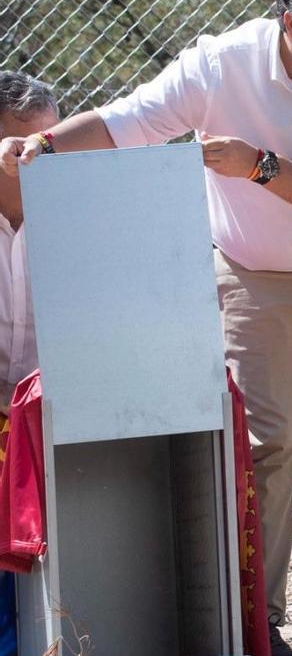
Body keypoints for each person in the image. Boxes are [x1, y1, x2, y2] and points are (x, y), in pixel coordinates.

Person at [0, 0, 292, 654]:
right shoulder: (219, 65)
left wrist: (258, 166)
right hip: (254, 276)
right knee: (264, 446)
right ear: (291, 26)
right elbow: (126, 122)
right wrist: (43, 144)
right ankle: (261, 620)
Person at [0, 70, 59, 656]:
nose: (36, 156)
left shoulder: (82, 215)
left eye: (49, 140)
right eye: (20, 143)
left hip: (54, 420)